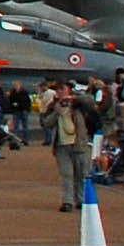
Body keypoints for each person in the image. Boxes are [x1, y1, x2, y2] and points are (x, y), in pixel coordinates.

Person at [47, 82, 93, 212]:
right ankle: (68, 201)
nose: (60, 92)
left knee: (82, 173)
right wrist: (57, 112)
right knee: (66, 174)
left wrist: (74, 99)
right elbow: (46, 123)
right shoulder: (53, 105)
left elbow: (90, 101)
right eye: (58, 89)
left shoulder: (78, 104)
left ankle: (81, 199)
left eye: (62, 88)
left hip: (79, 143)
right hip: (62, 145)